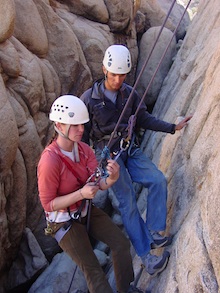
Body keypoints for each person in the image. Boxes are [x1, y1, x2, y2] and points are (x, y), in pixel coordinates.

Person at [80, 44, 192, 277]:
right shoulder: (89, 100)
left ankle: (155, 232)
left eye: (122, 74)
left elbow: (143, 118)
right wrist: (93, 167)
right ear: (104, 69)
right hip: (108, 157)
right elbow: (83, 138)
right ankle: (147, 258)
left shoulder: (130, 93)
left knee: (157, 179)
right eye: (114, 74)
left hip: (129, 148)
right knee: (128, 202)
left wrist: (172, 127)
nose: (118, 79)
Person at [37, 95, 143, 293]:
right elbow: (48, 204)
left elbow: (98, 183)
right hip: (63, 222)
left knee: (120, 243)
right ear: (59, 126)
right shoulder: (50, 161)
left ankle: (126, 289)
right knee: (93, 269)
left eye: (82, 125)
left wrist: (112, 178)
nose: (81, 130)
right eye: (75, 125)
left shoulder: (84, 150)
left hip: (84, 209)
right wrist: (81, 194)